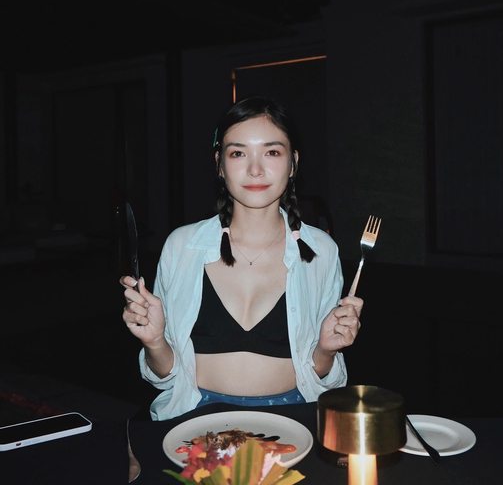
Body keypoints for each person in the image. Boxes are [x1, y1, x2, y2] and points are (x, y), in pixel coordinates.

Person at [120, 96, 363, 421]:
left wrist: (326, 349)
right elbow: (163, 377)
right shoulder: (182, 246)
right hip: (194, 416)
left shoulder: (321, 251)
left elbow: (320, 375)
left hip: (291, 416)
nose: (255, 169)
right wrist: (154, 342)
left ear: (293, 163)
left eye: (272, 152)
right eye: (238, 153)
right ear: (219, 164)